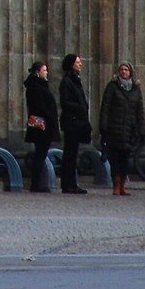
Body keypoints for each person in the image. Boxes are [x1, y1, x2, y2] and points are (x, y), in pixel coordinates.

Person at [98, 62, 145, 197]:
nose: (123, 72)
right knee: (115, 158)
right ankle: (116, 185)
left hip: (130, 128)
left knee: (125, 158)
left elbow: (139, 111)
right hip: (115, 127)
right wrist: (103, 126)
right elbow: (105, 107)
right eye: (121, 70)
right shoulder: (112, 87)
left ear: (130, 72)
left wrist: (141, 129)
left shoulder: (135, 89)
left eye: (126, 70)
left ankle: (123, 185)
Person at [57, 55, 90, 195]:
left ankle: (72, 183)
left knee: (73, 153)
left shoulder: (75, 80)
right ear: (71, 64)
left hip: (77, 121)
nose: (80, 64)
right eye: (77, 62)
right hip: (71, 122)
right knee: (69, 154)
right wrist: (80, 107)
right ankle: (68, 184)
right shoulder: (67, 81)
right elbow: (65, 102)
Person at [24, 61, 57, 191]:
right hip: (41, 125)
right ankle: (36, 184)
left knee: (41, 153)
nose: (46, 72)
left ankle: (37, 183)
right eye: (44, 70)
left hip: (42, 124)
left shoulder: (38, 85)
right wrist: (50, 117)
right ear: (37, 72)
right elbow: (40, 106)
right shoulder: (36, 87)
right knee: (40, 154)